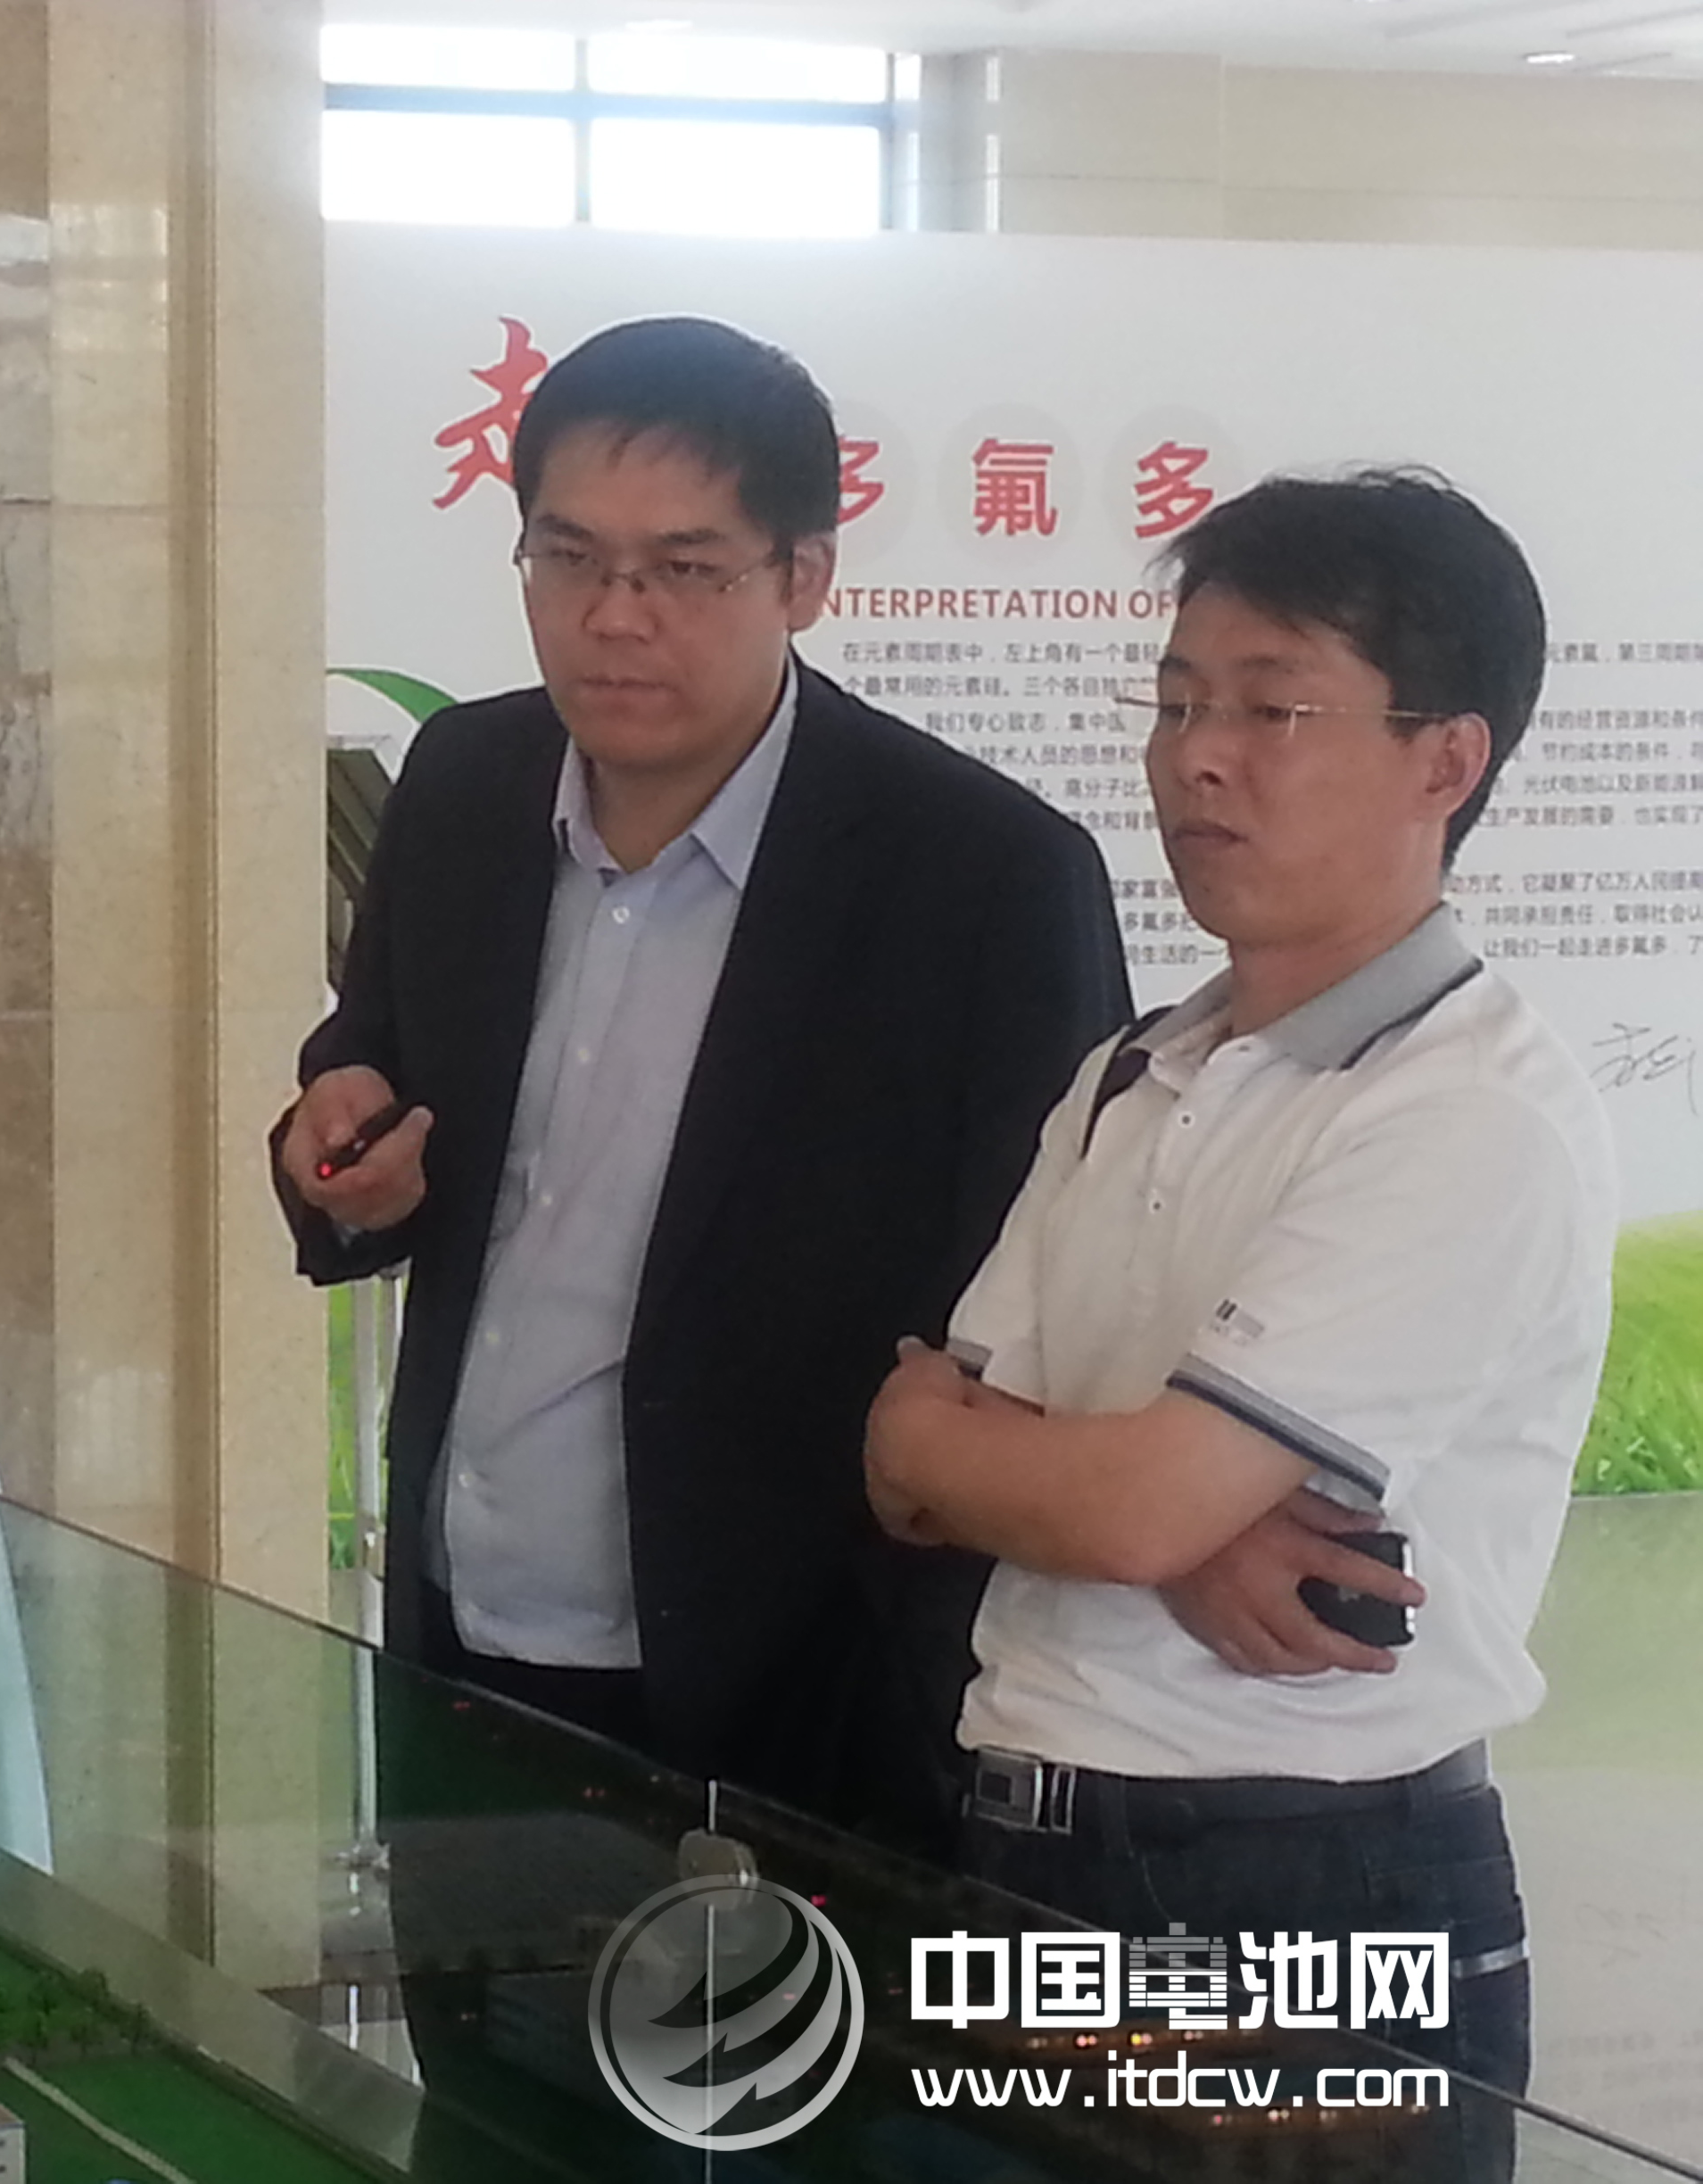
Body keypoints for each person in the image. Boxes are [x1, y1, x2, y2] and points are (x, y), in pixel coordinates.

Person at [277, 315, 1128, 1845]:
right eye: (569, 558)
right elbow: (369, 1058)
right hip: (465, 1635)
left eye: (684, 568)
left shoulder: (981, 877)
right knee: (476, 2011)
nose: (615, 617)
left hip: (802, 1688)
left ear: (805, 576)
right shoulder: (464, 787)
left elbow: (1055, 1302)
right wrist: (337, 1154)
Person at [865, 467, 1615, 2101]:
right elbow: (914, 1458)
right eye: (1179, 701)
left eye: (1273, 709)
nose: (1197, 755)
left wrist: (1039, 1476)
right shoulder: (1136, 1069)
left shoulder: (1461, 1108)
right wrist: (1055, 1482)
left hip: (1302, 1874)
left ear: (1447, 760)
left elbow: (1075, 1486)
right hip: (1028, 1842)